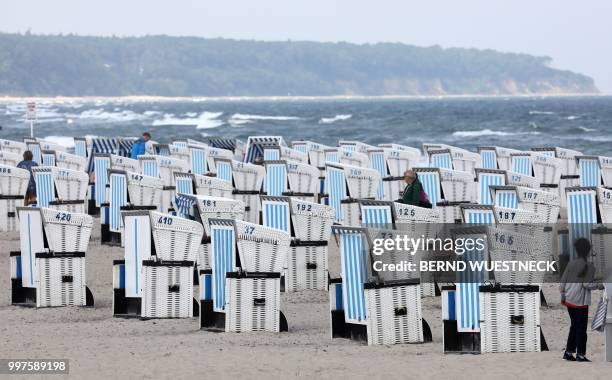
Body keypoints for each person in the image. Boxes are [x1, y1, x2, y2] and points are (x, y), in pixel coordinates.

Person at [559, 238, 604, 362]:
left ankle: (568, 353)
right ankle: (580, 354)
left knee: (574, 326)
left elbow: (562, 282)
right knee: (581, 328)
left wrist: (563, 296)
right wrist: (601, 285)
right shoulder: (590, 266)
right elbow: (587, 285)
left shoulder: (571, 263)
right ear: (588, 251)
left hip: (569, 299)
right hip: (581, 302)